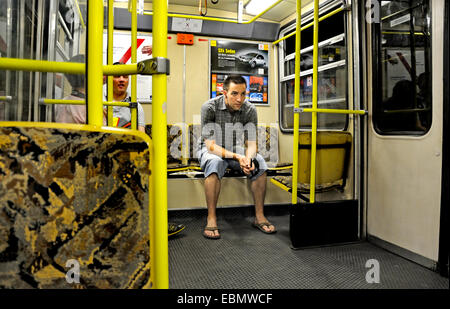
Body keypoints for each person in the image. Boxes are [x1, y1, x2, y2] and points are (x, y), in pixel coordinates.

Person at [111, 57, 185, 238]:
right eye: (117, 77)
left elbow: (141, 135)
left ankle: (156, 224)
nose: (122, 80)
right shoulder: (100, 101)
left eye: (126, 77)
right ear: (109, 79)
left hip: (128, 153)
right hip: (105, 153)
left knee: (151, 176)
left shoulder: (136, 106)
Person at [197, 75, 276, 239]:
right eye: (234, 93)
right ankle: (211, 217)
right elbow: (210, 145)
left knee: (259, 163)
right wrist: (238, 157)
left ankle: (259, 216)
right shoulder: (209, 107)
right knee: (214, 163)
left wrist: (248, 159)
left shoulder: (249, 109)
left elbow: (251, 143)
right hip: (211, 149)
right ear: (224, 92)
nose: (239, 99)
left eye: (243, 94)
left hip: (233, 147)